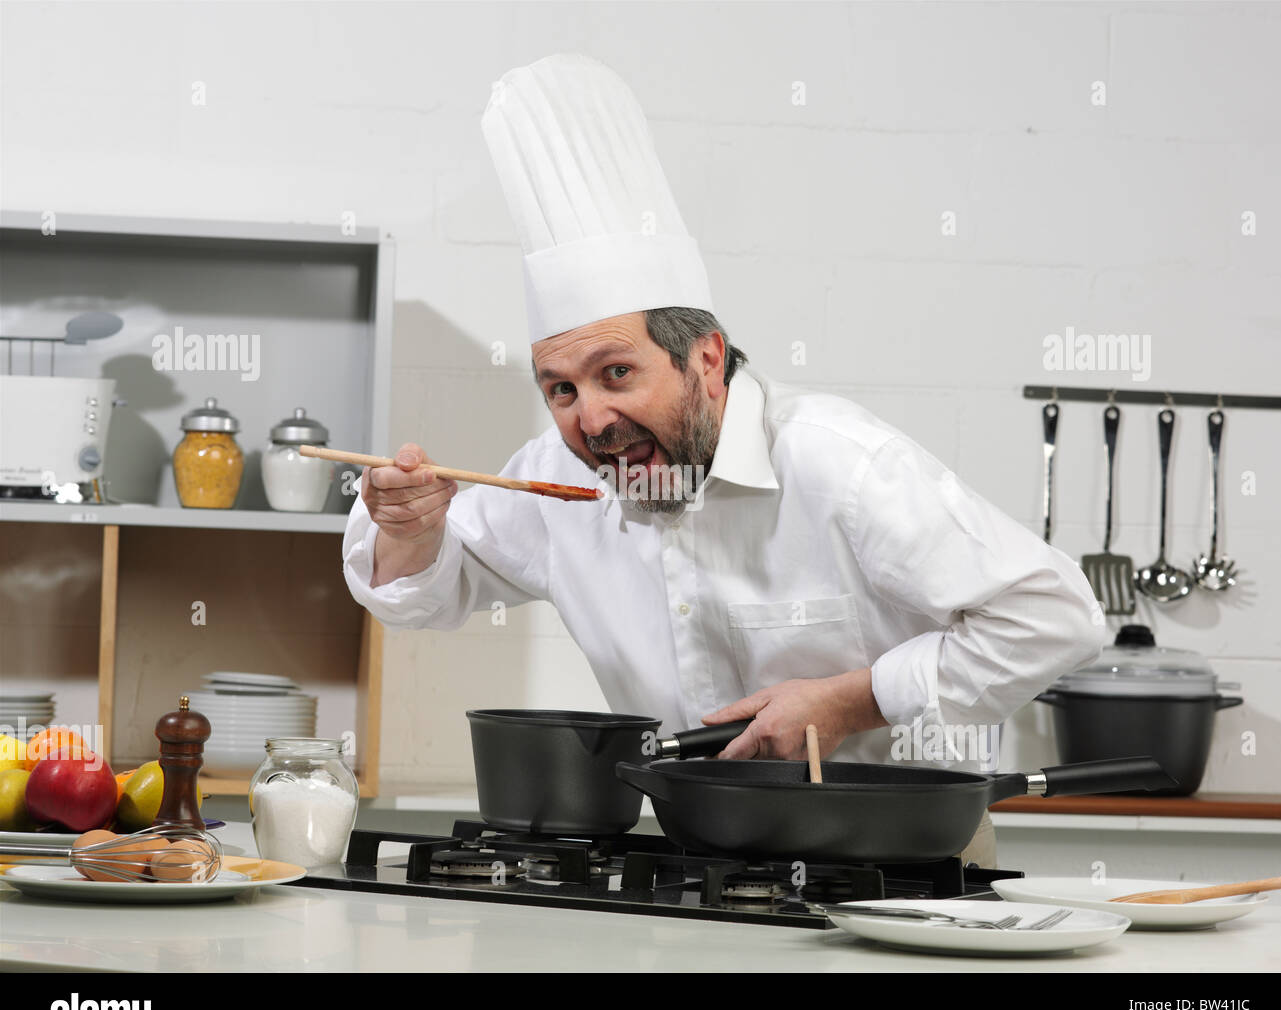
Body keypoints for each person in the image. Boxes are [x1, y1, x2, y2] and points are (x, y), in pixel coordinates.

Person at [342, 55, 1104, 865]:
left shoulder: (836, 463)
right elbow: (419, 593)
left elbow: (1057, 616)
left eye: (617, 374)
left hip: (902, 869)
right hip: (696, 871)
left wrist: (852, 701)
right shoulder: (559, 482)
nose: (591, 419)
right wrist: (410, 526)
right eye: (560, 389)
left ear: (705, 359)